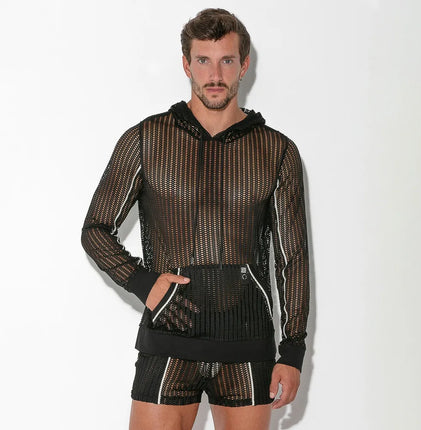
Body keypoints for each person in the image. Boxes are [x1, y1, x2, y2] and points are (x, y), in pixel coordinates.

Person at [81, 8, 309, 430]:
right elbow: (95, 230)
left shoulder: (277, 151)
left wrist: (292, 350)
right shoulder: (146, 139)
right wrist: (144, 283)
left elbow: (292, 258)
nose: (215, 74)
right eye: (203, 60)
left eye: (226, 60)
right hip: (169, 337)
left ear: (244, 65)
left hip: (247, 343)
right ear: (187, 65)